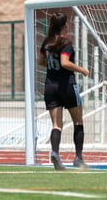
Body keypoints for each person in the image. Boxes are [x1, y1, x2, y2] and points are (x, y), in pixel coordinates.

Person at [38, 13, 90, 170]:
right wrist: (82, 70)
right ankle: (78, 158)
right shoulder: (65, 43)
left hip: (50, 86)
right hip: (66, 85)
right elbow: (65, 62)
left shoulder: (47, 43)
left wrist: (53, 67)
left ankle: (55, 153)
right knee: (78, 121)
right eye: (68, 23)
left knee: (56, 124)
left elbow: (41, 61)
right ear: (64, 25)